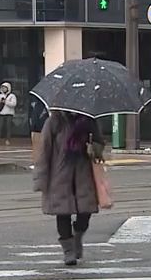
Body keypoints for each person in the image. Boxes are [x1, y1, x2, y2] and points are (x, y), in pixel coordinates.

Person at [33, 111, 105, 265]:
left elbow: (100, 144)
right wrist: (41, 178)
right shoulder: (54, 121)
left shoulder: (89, 121)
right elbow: (44, 151)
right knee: (62, 213)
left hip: (83, 174)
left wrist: (94, 148)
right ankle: (68, 251)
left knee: (85, 214)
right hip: (60, 176)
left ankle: (77, 235)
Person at [0, 82, 17, 146]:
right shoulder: (0, 95)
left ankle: (8, 140)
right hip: (1, 113)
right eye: (2, 88)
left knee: (8, 127)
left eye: (5, 88)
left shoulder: (12, 96)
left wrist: (6, 101)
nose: (3, 89)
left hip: (9, 113)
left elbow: (13, 104)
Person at [29, 97, 49, 169]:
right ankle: (36, 162)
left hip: (42, 127)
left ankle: (43, 163)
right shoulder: (37, 104)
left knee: (43, 146)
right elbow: (34, 115)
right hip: (36, 128)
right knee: (36, 146)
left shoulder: (47, 105)